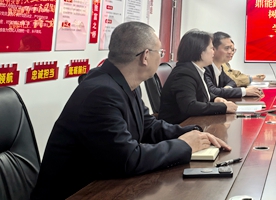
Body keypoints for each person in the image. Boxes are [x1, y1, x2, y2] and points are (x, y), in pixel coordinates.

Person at [31, 22, 231, 200]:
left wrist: (194, 133)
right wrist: (184, 145)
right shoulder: (102, 92)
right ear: (145, 56)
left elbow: (148, 126)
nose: (161, 57)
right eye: (159, 52)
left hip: (106, 183)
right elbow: (127, 158)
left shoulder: (123, 83)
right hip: (78, 193)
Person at [158, 29, 238, 124]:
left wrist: (215, 99)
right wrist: (223, 107)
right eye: (211, 48)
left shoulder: (197, 69)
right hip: (180, 126)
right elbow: (190, 106)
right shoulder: (184, 73)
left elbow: (201, 93)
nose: (214, 52)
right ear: (200, 51)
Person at [204, 31, 263, 98]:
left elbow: (232, 82)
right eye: (227, 48)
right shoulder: (205, 68)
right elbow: (212, 92)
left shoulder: (219, 67)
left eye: (232, 49)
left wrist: (226, 90)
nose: (230, 52)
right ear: (213, 49)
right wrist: (244, 91)